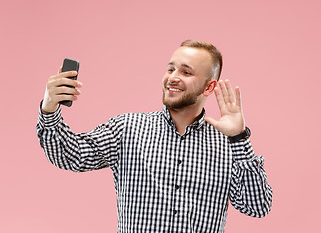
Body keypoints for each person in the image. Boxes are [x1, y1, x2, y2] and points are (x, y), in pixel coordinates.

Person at [36, 40, 272, 233]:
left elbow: (257, 206)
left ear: (209, 88)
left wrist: (239, 138)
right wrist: (49, 108)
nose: (173, 77)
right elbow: (70, 155)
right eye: (171, 69)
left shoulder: (228, 144)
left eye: (186, 72)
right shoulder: (127, 129)